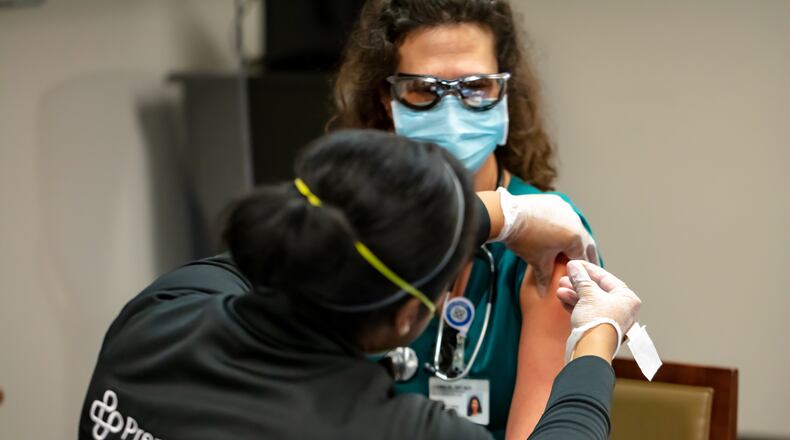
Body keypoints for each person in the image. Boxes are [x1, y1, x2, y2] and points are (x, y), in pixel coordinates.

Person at [79, 130, 640, 439]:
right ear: (403, 320)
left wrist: (500, 215)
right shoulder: (387, 429)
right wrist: (595, 342)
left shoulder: (162, 311)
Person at [331, 0, 596, 437]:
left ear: (504, 93)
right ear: (386, 99)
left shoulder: (553, 234)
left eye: (477, 87)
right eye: (423, 90)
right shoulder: (354, 226)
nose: (452, 113)